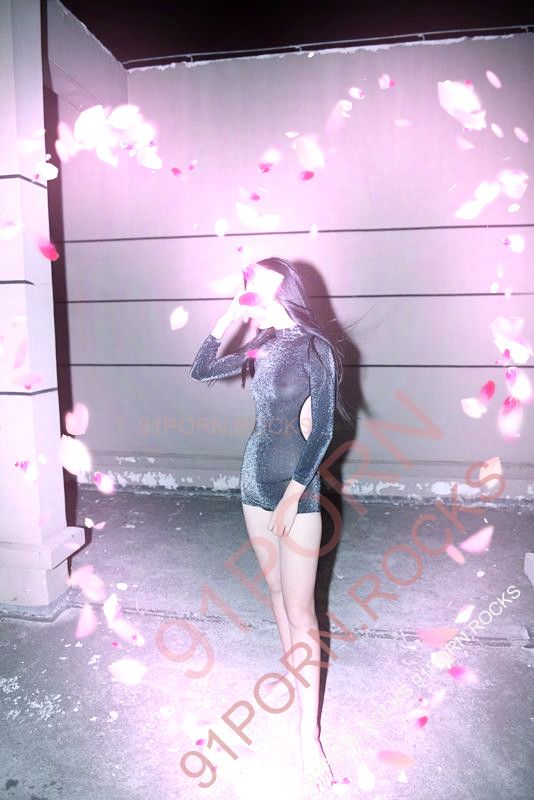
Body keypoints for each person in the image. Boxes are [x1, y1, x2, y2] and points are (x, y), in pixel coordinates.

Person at [190, 257, 351, 794]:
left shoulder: (315, 350)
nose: (249, 293)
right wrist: (227, 318)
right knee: (277, 591)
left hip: (296, 488)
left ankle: (310, 737)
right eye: (245, 286)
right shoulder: (260, 346)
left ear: (284, 289)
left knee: (302, 609)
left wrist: (294, 495)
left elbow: (322, 431)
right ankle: (295, 673)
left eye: (257, 286)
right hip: (254, 477)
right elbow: (201, 369)